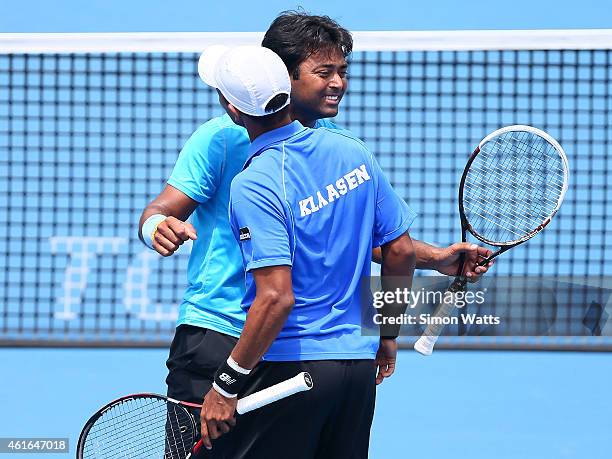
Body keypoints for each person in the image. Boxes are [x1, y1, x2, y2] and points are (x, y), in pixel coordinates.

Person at [138, 10, 492, 454]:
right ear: (283, 76)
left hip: (287, 347)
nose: (338, 83)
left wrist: (436, 258)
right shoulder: (220, 139)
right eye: (324, 71)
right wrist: (157, 227)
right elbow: (160, 209)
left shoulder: (338, 144)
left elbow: (359, 239)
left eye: (342, 71)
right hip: (221, 335)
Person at [197, 44, 416, 459]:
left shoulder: (255, 182)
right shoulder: (353, 152)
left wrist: (225, 385)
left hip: (290, 373)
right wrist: (386, 335)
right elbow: (400, 251)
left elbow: (276, 297)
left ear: (232, 108)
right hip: (355, 370)